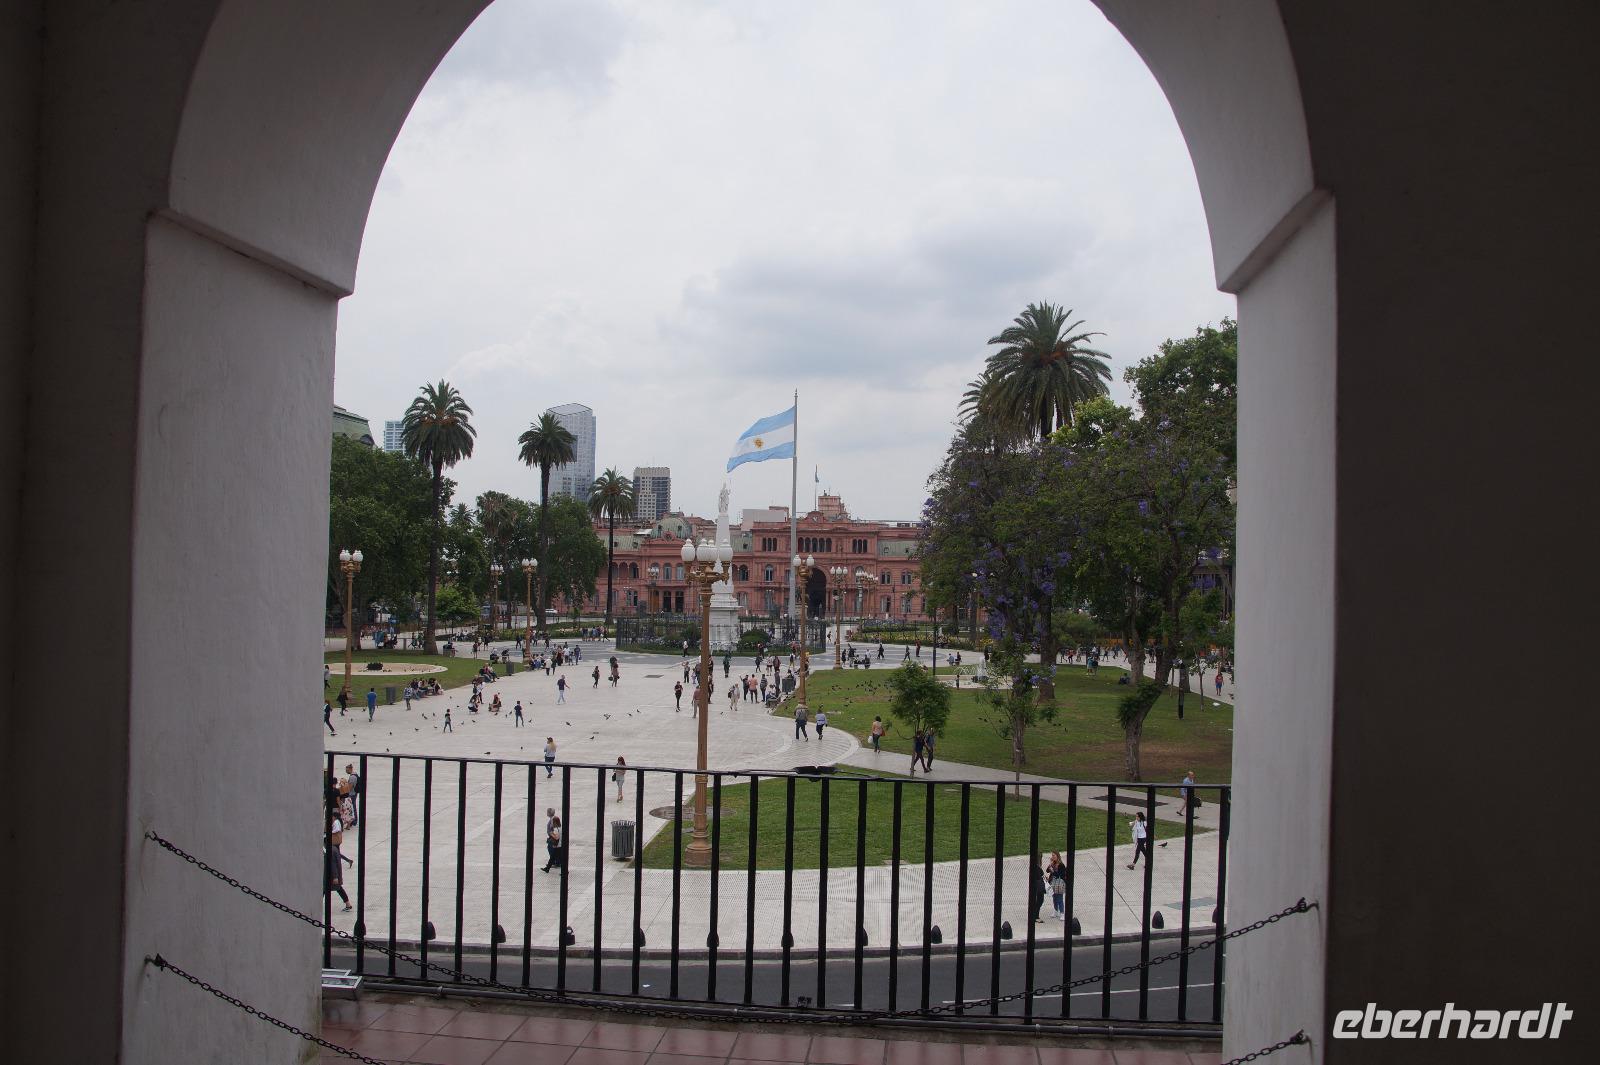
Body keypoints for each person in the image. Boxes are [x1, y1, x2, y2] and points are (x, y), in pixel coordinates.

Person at [1048, 852, 1067, 919]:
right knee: (1054, 898)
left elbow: (1059, 875)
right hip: (1053, 883)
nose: (1052, 857)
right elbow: (1047, 870)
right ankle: (1056, 911)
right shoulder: (1053, 863)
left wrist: (1053, 871)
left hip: (1059, 884)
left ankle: (1062, 913)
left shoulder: (1061, 865)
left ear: (1057, 856)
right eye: (1052, 855)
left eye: (1053, 855)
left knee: (1059, 898)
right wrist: (1050, 864)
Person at [1030, 854, 1048, 924]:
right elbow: (1040, 877)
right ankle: (1036, 916)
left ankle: (1034, 915)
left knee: (1038, 901)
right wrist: (1045, 879)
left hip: (1036, 886)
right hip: (1039, 887)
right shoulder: (1037, 868)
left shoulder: (1034, 867)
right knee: (1040, 900)